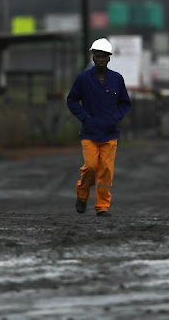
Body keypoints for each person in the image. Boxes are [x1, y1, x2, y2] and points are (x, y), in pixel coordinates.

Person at [66, 38, 132, 217]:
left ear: (109, 58)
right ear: (93, 58)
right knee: (91, 167)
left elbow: (125, 103)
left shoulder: (117, 79)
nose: (100, 59)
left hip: (110, 135)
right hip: (89, 133)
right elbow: (71, 100)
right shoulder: (83, 79)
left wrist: (115, 118)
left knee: (106, 171)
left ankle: (102, 206)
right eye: (97, 56)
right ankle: (82, 194)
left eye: (104, 56)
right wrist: (84, 117)